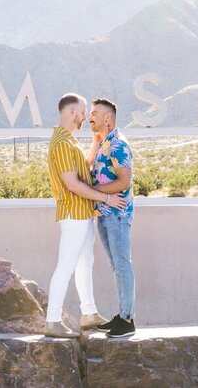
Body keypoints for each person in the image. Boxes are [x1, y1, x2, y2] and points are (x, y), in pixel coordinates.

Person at [44, 93, 127, 338]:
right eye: (82, 112)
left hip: (83, 211)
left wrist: (94, 142)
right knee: (66, 266)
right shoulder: (61, 143)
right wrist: (107, 198)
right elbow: (72, 183)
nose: (85, 117)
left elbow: (86, 167)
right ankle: (52, 320)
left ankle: (89, 314)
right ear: (72, 113)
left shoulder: (70, 142)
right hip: (74, 212)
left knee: (84, 263)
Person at [87, 97, 136, 338]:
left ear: (108, 117)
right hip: (105, 214)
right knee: (117, 266)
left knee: (122, 265)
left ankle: (127, 319)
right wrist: (96, 142)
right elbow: (89, 168)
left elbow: (123, 181)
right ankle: (122, 314)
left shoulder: (118, 144)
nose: (89, 117)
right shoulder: (104, 143)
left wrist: (94, 192)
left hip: (117, 214)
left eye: (94, 112)